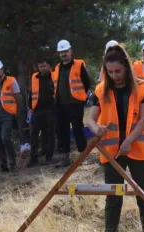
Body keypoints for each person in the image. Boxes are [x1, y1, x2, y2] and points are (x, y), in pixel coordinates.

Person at [88, 45, 144, 232]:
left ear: (126, 67)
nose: (114, 75)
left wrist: (128, 142)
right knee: (113, 198)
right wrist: (96, 129)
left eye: (118, 71)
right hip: (111, 153)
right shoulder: (101, 90)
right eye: (110, 72)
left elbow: (143, 120)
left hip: (138, 149)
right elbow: (90, 119)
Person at [53, 39, 92, 167]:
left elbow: (87, 83)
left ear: (70, 51)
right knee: (62, 131)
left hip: (75, 104)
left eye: (66, 51)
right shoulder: (57, 68)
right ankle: (65, 158)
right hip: (61, 105)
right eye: (61, 52)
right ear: (59, 54)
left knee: (78, 129)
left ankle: (83, 156)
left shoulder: (79, 64)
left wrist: (81, 97)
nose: (64, 54)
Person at [0, 58, 26, 172]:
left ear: (2, 69)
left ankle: (12, 163)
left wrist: (19, 111)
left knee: (6, 138)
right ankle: (3, 165)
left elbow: (18, 96)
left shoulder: (11, 80)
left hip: (8, 114)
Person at [27, 59, 56, 166]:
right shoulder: (34, 77)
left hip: (50, 109)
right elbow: (31, 93)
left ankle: (49, 157)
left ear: (49, 66)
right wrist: (30, 108)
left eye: (44, 66)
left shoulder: (54, 76)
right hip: (36, 109)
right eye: (40, 66)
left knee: (49, 134)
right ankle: (33, 158)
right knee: (33, 135)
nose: (42, 68)